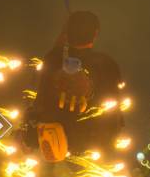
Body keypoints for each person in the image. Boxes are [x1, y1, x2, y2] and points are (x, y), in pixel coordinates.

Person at [30, 11, 124, 162]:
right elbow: (114, 112)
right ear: (95, 34)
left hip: (51, 146)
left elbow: (40, 101)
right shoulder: (107, 64)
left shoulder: (53, 60)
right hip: (91, 150)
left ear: (66, 33)